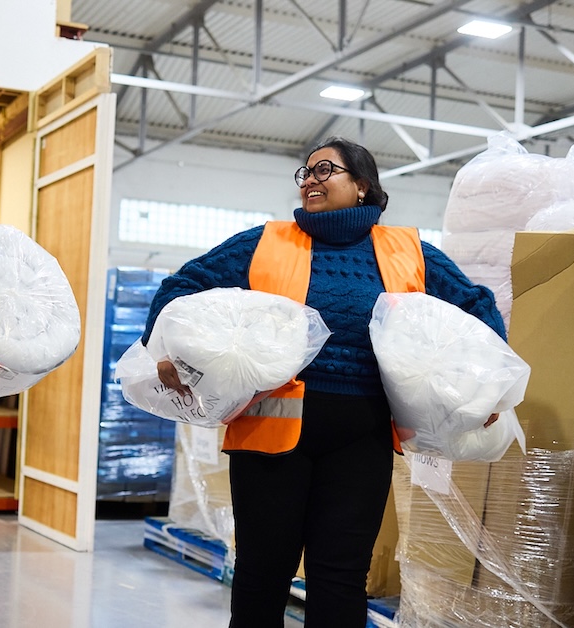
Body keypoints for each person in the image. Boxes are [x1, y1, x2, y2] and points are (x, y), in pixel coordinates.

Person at [141, 137, 505, 627]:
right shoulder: (265, 241)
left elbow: (475, 306)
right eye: (305, 173)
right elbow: (182, 285)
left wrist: (489, 386)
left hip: (363, 438)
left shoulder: (409, 250)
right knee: (262, 572)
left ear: (362, 185)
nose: (310, 179)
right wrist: (163, 347)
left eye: (325, 170)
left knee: (340, 576)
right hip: (270, 432)